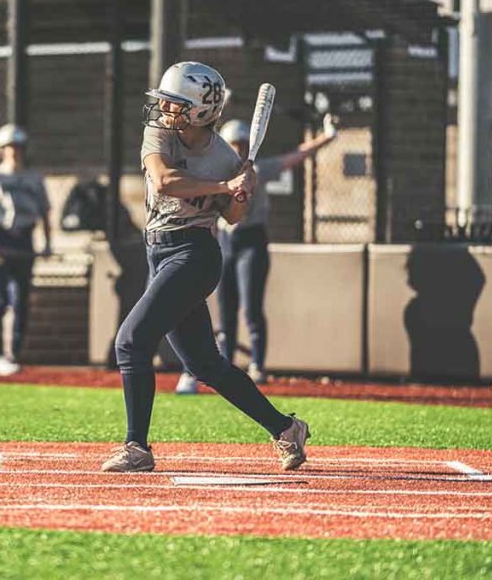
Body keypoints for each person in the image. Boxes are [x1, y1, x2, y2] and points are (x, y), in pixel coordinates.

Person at [102, 61, 310, 474]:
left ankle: (137, 447)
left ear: (199, 111)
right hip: (158, 252)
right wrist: (225, 186)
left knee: (130, 341)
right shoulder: (160, 131)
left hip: (194, 255)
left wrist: (241, 191)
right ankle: (287, 429)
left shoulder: (222, 160)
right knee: (204, 365)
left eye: (174, 103)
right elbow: (163, 180)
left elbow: (231, 217)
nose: (164, 107)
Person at [175, 114, 339, 394]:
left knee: (251, 307)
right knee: (225, 311)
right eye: (233, 144)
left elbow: (295, 156)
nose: (237, 150)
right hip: (225, 242)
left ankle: (257, 365)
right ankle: (223, 368)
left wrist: (327, 137)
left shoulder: (258, 170)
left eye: (241, 144)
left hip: (252, 240)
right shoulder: (217, 174)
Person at [0, 124, 53, 376]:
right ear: (1, 150)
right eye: (10, 147)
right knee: (0, 299)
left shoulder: (34, 179)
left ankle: (15, 354)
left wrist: (47, 242)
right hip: (2, 239)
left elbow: (44, 211)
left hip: (24, 239)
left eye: (18, 148)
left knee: (21, 300)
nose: (14, 152)